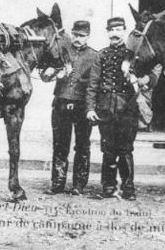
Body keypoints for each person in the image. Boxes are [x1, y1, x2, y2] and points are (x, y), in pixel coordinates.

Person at [40, 21, 97, 195]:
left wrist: (90, 108)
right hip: (61, 104)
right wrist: (51, 73)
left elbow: (94, 85)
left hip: (81, 106)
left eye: (81, 36)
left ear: (88, 36)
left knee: (82, 146)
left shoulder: (94, 56)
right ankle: (57, 183)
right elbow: (44, 75)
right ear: (71, 34)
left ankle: (78, 185)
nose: (78, 39)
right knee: (60, 145)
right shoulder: (61, 52)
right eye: (75, 35)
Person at [86, 17, 139, 200]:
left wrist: (133, 74)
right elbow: (93, 84)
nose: (114, 33)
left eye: (118, 29)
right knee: (108, 150)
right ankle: (108, 187)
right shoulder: (101, 55)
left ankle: (128, 188)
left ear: (124, 31)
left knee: (125, 149)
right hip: (105, 109)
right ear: (107, 32)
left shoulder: (133, 55)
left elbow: (150, 77)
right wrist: (90, 108)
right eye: (111, 30)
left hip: (127, 109)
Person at [136, 63, 163, 132]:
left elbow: (155, 74)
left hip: (146, 82)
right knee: (139, 100)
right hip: (133, 79)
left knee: (144, 102)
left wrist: (147, 79)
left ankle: (146, 122)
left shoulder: (155, 59)